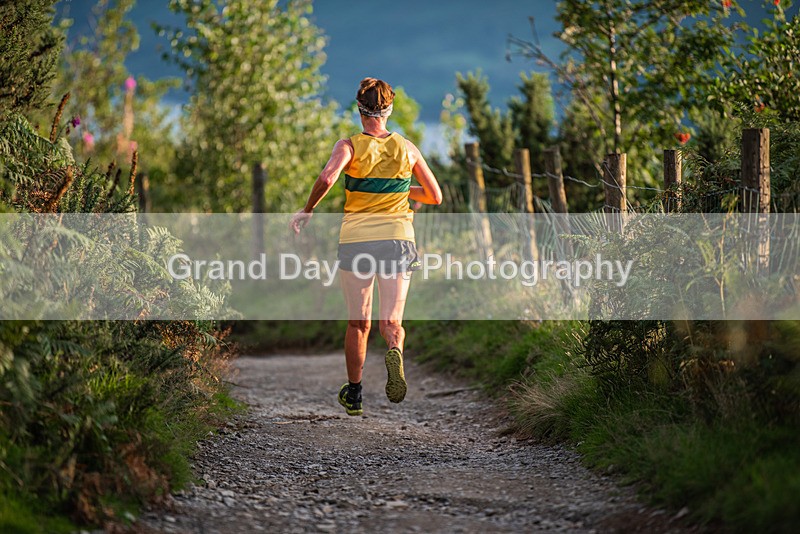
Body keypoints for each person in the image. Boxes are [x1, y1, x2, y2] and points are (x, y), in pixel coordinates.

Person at [290, 77, 442, 416]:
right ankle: (394, 349)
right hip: (398, 240)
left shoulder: (349, 145)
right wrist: (401, 192)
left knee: (358, 323)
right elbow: (435, 195)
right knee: (392, 321)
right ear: (389, 110)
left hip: (358, 240)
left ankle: (355, 394)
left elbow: (328, 178)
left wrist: (308, 209)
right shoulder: (407, 148)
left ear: (360, 111)